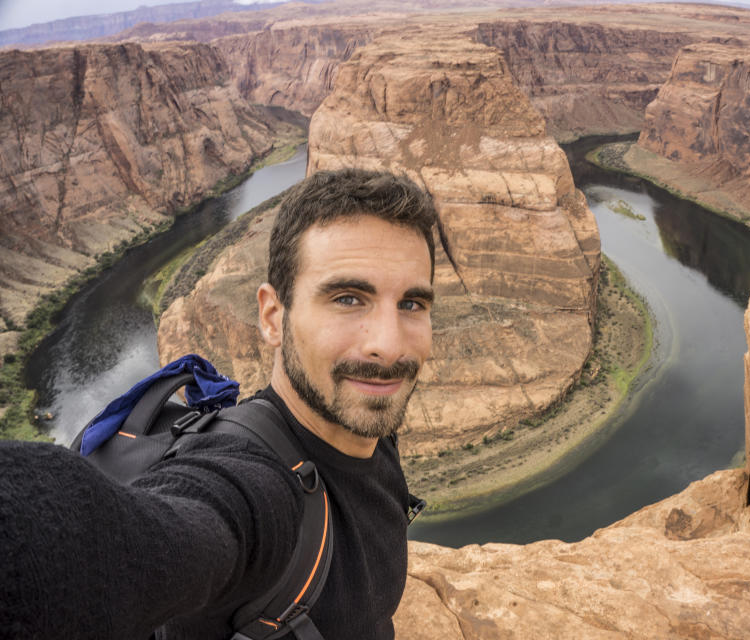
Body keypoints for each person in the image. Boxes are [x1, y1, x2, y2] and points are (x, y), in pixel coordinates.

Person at [0, 168, 438, 639]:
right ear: (273, 317)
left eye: (412, 304)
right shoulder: (255, 486)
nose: (389, 346)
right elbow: (144, 535)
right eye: (348, 298)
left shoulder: (372, 427)